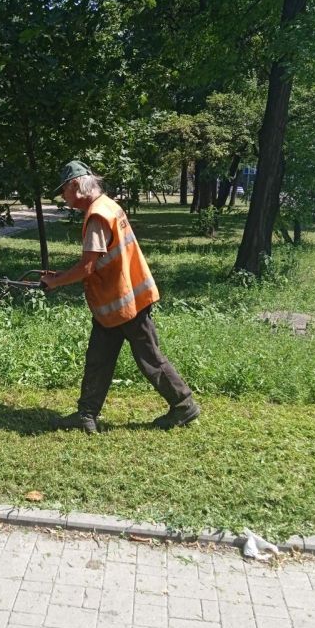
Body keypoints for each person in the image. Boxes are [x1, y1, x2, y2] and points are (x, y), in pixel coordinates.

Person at [41, 160, 200, 434]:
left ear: (75, 186)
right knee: (98, 358)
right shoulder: (108, 206)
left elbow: (88, 266)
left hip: (127, 302)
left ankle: (183, 405)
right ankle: (86, 415)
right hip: (113, 303)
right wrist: (63, 275)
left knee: (149, 358)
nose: (63, 198)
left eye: (63, 191)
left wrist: (55, 282)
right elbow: (101, 262)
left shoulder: (97, 216)